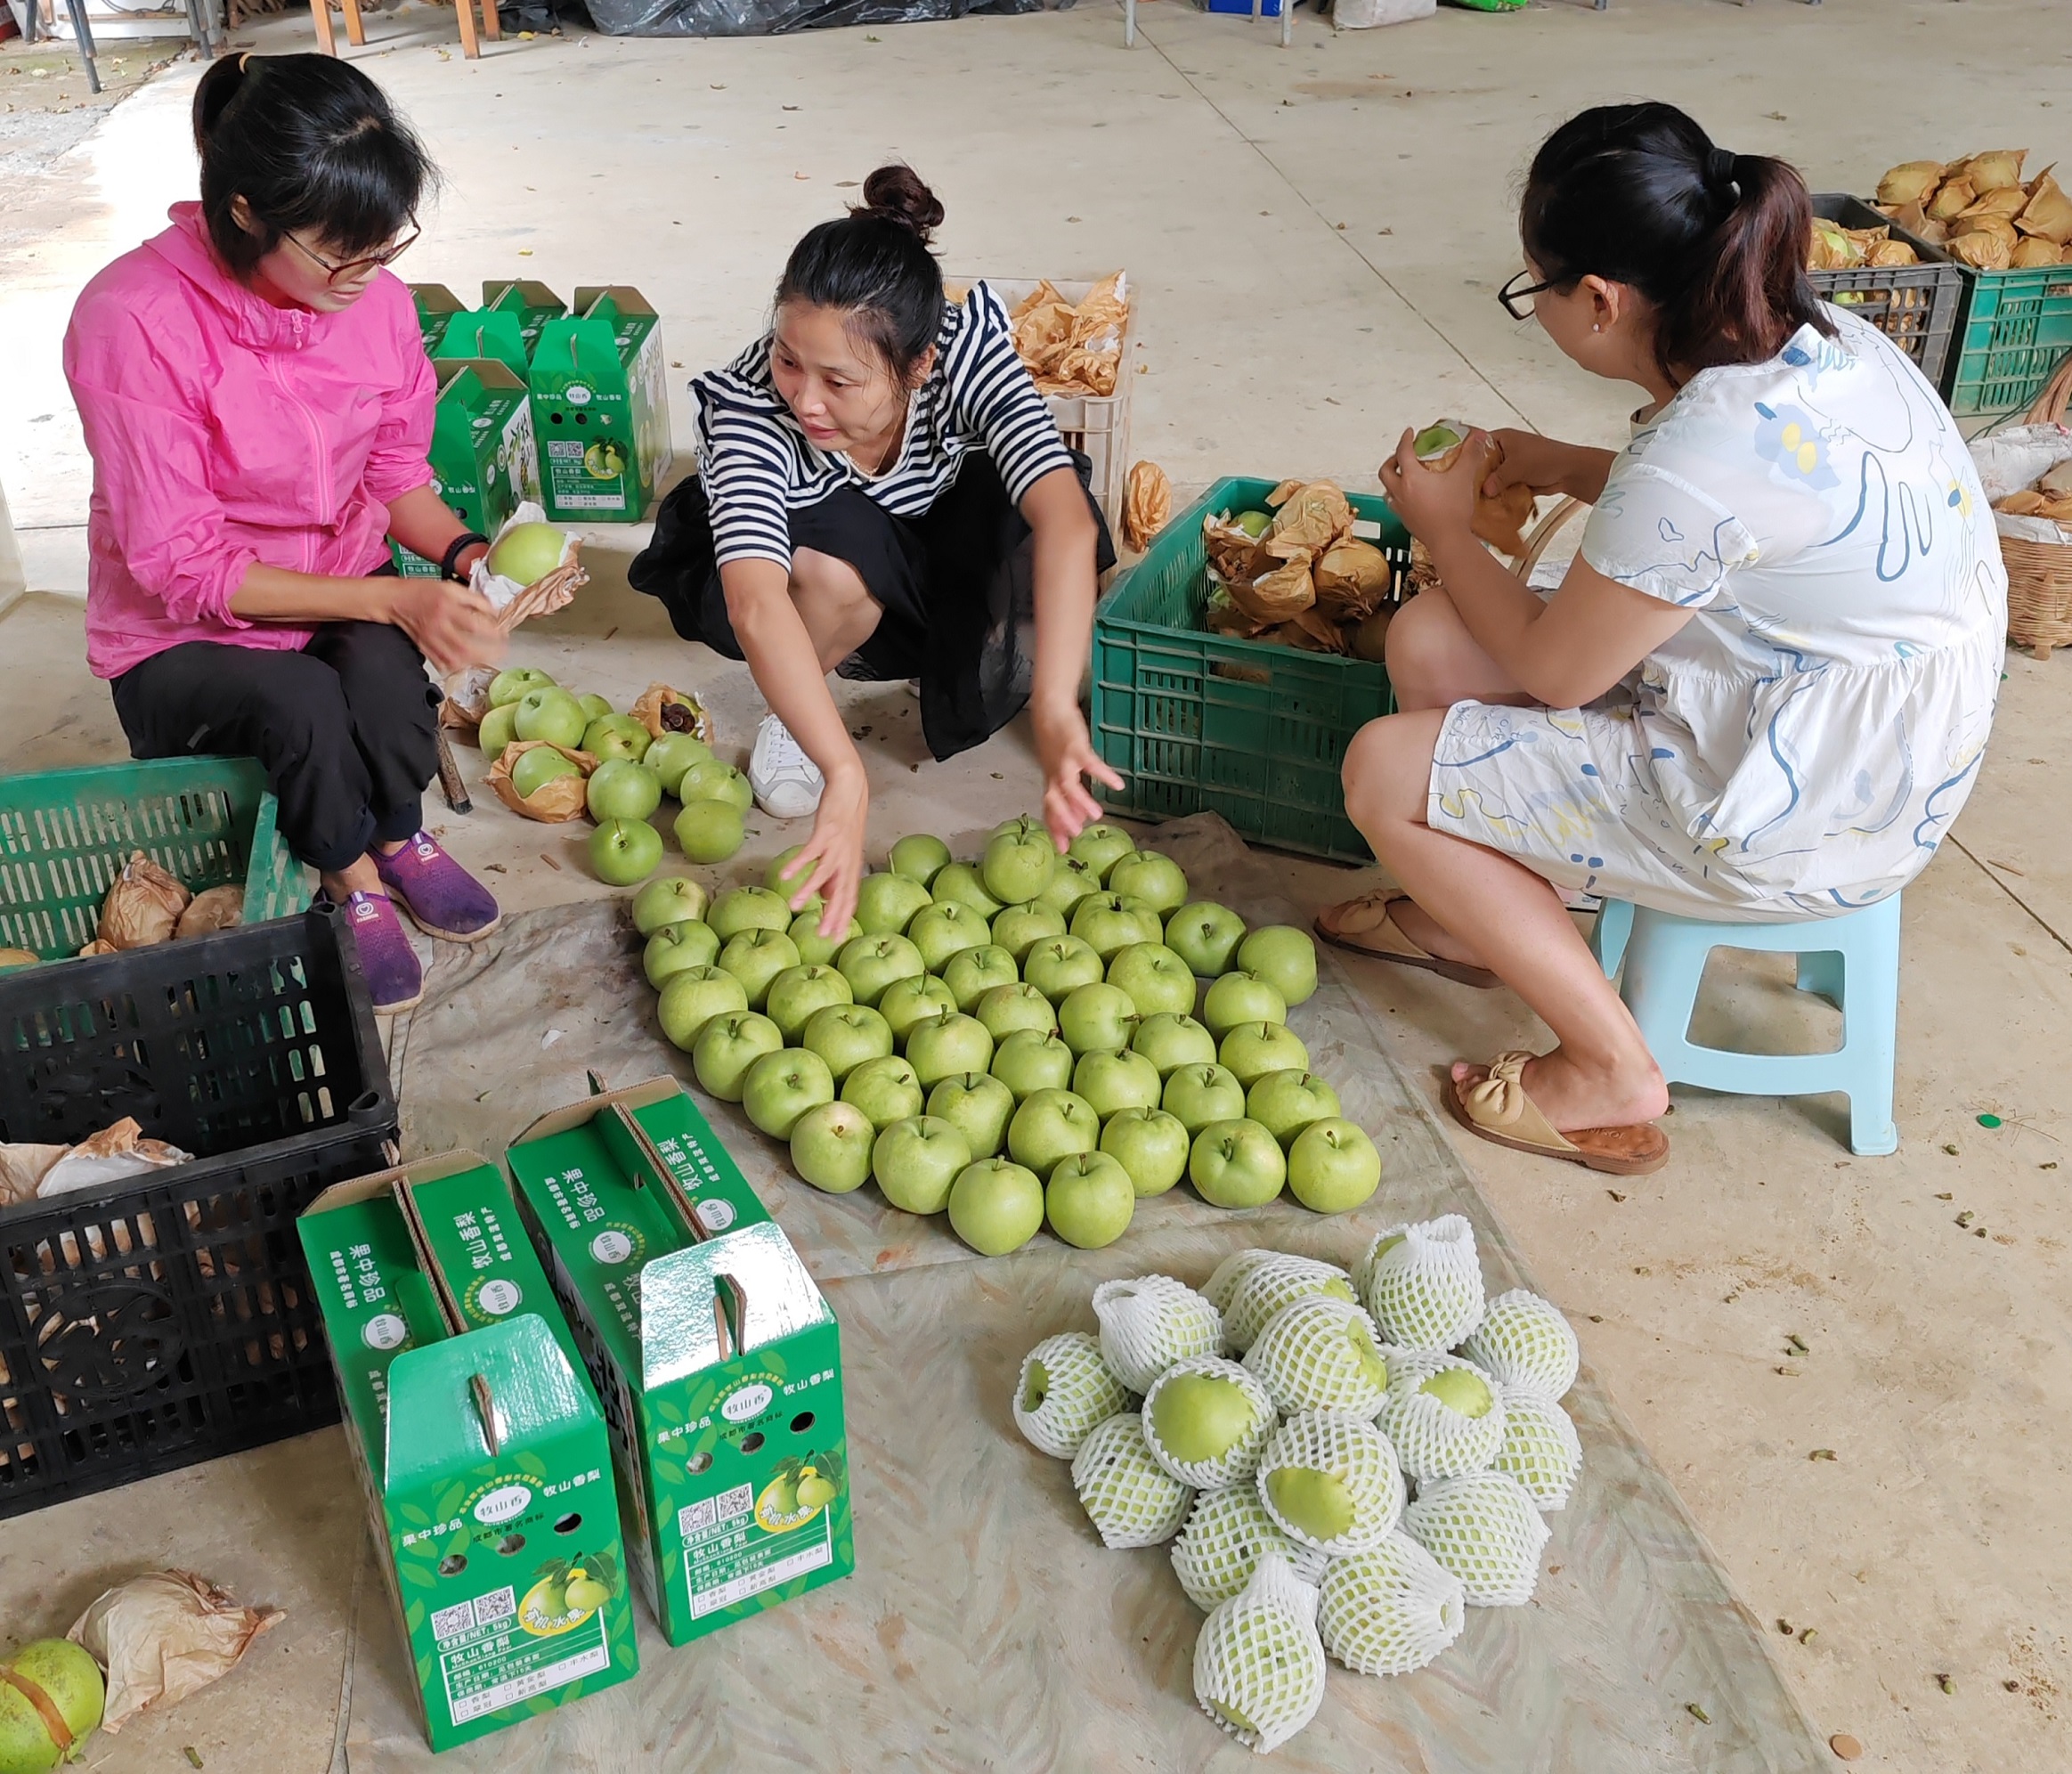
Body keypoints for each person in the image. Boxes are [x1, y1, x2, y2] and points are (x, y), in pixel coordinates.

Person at [1320, 102, 2005, 1176]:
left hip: (1797, 809)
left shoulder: (1701, 449)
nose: (1536, 307)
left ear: (1596, 301)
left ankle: (1607, 1068)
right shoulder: (1821, 339)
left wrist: (1444, 527)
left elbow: (1555, 673)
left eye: (1532, 288)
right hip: (1853, 734)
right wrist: (1566, 464)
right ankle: (1471, 917)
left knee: (1381, 770)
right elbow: (1738, 520)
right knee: (1434, 638)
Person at [64, 53, 508, 1015]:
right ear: (244, 213)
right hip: (181, 635)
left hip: (334, 589)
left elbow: (394, 477)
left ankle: (398, 835)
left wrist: (470, 558)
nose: (367, 275)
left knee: (388, 677)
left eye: (383, 247)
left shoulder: (377, 307)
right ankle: (350, 876)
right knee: (304, 696)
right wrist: (390, 594)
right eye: (336, 250)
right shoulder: (132, 320)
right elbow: (184, 567)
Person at [629, 164, 1119, 938]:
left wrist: (1056, 707)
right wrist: (844, 771)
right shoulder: (752, 406)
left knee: (1031, 523)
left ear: (919, 365)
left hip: (935, 535)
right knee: (832, 567)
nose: (804, 398)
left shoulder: (963, 352)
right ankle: (799, 711)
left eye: (839, 380)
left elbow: (1064, 519)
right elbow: (755, 601)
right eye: (790, 359)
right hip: (809, 563)